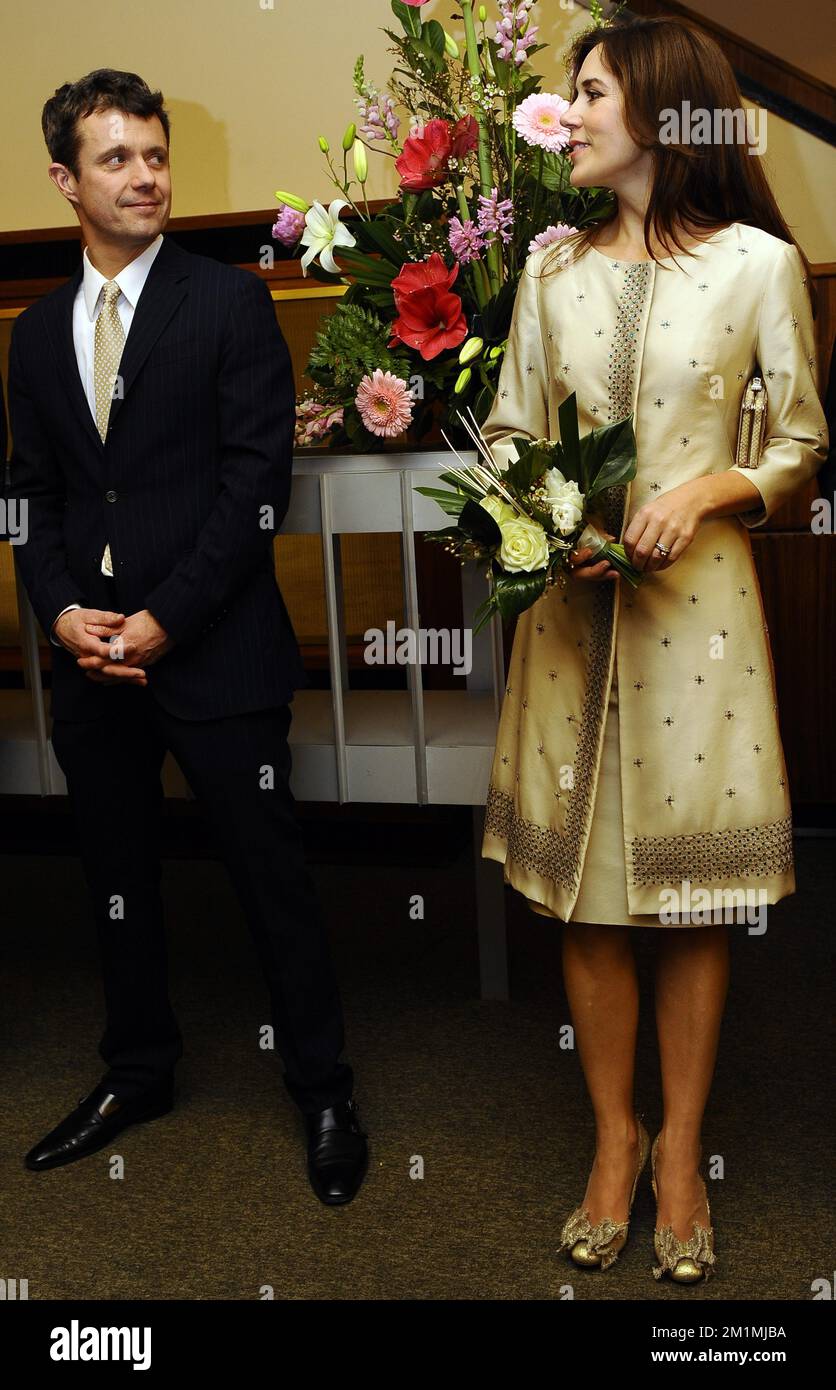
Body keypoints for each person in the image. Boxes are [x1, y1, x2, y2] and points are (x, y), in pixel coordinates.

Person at [480, 16, 828, 1282]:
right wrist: (550, 513)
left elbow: (799, 445)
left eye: (586, 92)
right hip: (572, 616)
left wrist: (709, 491)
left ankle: (682, 1149)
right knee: (586, 889)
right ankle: (611, 1139)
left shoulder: (754, 265)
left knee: (690, 896)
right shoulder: (547, 273)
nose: (565, 115)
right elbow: (516, 428)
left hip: (702, 624)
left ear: (661, 109)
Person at [7, 69, 368, 1206]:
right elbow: (30, 497)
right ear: (66, 180)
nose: (146, 174)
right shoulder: (31, 337)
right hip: (90, 664)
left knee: (271, 881)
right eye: (117, 159)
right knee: (115, 878)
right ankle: (138, 1070)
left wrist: (164, 619)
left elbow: (257, 488)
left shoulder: (226, 302)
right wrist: (62, 612)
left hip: (215, 653)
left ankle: (321, 1090)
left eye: (154, 154)